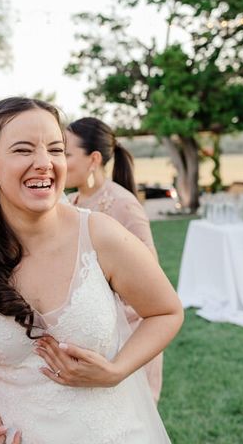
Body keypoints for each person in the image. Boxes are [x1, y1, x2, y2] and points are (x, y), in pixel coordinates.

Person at [0, 97, 183, 443]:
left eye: (55, 150)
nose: (44, 163)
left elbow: (167, 311)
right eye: (23, 150)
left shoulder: (100, 235)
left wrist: (117, 370)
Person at [64, 116, 163, 402]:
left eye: (66, 153)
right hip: (86, 337)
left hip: (126, 339)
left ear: (93, 159)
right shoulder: (70, 203)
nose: (57, 160)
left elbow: (151, 279)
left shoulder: (124, 205)